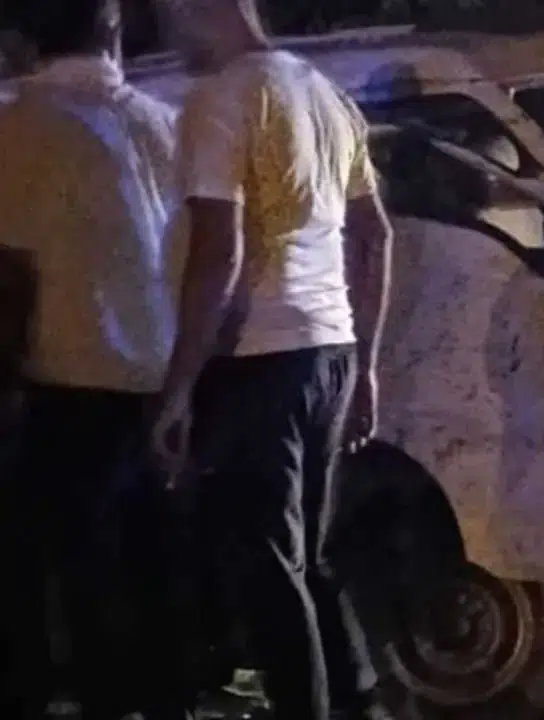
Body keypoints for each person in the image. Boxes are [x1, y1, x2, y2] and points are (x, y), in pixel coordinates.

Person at [148, 0, 394, 718]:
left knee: (268, 570)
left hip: (261, 358)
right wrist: (367, 365)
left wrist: (178, 389)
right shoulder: (326, 95)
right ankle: (363, 705)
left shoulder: (221, 100)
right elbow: (375, 236)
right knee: (309, 559)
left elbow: (217, 255)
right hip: (330, 351)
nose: (166, 33)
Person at [0, 0, 186, 717]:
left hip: (62, 381)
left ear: (23, 38)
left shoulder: (19, 125)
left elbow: (11, 271)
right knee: (151, 569)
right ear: (112, 30)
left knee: (66, 574)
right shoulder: (165, 123)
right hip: (165, 382)